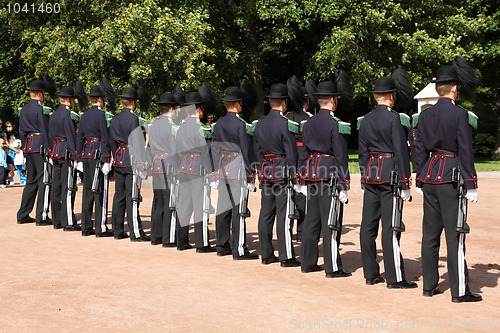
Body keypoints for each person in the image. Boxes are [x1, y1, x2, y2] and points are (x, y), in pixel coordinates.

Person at [414, 56, 482, 303]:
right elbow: (465, 150)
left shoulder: (424, 115)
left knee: (430, 235)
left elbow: (419, 149)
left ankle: (429, 286)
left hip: (430, 175)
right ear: (454, 87)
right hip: (450, 177)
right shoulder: (460, 114)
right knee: (455, 235)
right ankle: (459, 290)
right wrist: (471, 183)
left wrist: (420, 178)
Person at [358, 67, 416, 289]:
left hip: (371, 175)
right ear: (392, 96)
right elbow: (401, 152)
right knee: (391, 228)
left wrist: (364, 177)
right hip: (390, 175)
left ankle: (370, 273)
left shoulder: (365, 120)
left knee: (368, 227)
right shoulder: (395, 119)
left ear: (375, 97)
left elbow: (363, 153)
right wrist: (405, 182)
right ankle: (394, 277)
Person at [300, 75, 352, 278]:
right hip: (329, 174)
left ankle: (308, 262)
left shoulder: (309, 123)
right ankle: (332, 267)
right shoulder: (335, 124)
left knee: (312, 221)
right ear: (333, 100)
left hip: (312, 173)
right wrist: (344, 184)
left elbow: (304, 154)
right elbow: (340, 156)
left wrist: (303, 179)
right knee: (331, 222)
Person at [253, 83, 300, 267]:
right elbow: (291, 152)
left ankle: (266, 254)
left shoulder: (260, 124)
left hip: (266, 172)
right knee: (284, 215)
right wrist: (295, 176)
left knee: (266, 214)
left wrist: (261, 170)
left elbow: (257, 152)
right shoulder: (285, 124)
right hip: (282, 172)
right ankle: (286, 256)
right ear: (284, 102)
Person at [211, 83, 259, 260]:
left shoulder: (218, 124)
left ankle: (221, 245)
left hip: (222, 168)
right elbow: (246, 152)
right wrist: (250, 176)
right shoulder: (241, 125)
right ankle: (238, 249)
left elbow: (214, 150)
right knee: (239, 210)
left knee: (223, 209)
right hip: (237, 168)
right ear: (238, 103)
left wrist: (215, 172)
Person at [175, 84, 216, 253]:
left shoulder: (180, 128)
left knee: (184, 206)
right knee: (200, 207)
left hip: (183, 169)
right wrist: (212, 173)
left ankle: (181, 241)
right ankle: (201, 243)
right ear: (198, 108)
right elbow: (206, 152)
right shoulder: (202, 128)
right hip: (198, 170)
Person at [110, 82, 151, 242]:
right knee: (132, 196)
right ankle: (136, 232)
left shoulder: (115, 119)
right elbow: (138, 143)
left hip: (119, 158)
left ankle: (118, 230)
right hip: (131, 159)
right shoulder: (133, 120)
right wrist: (142, 163)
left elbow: (112, 141)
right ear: (133, 102)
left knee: (119, 196)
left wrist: (116, 155)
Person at [76, 79, 115, 237]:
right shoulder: (102, 115)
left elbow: (80, 137)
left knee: (87, 191)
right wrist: (106, 159)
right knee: (100, 191)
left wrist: (78, 158)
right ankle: (100, 227)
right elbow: (105, 138)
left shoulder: (83, 115)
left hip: (86, 154)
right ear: (100, 99)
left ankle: (86, 226)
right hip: (98, 154)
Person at [17, 75, 55, 225]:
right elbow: (45, 131)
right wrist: (50, 149)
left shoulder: (24, 110)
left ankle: (23, 213)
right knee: (45, 181)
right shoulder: (40, 110)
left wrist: (26, 149)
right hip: (40, 146)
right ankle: (42, 215)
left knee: (31, 182)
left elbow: (21, 131)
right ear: (40, 93)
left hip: (29, 147)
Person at [49, 84, 86, 231]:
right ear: (69, 100)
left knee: (56, 187)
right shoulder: (67, 115)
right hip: (66, 152)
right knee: (69, 187)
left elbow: (51, 135)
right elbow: (71, 137)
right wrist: (76, 156)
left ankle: (57, 220)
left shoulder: (53, 115)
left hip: (56, 151)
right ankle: (68, 221)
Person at [285, 75, 314, 242]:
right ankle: (302, 233)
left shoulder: (287, 117)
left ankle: (288, 232)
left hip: (288, 161)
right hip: (304, 160)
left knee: (289, 198)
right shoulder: (309, 118)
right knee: (304, 198)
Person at [148, 92, 178, 246]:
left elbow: (151, 148)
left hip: (156, 164)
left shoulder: (152, 126)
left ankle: (155, 236)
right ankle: (168, 238)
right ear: (171, 108)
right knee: (168, 201)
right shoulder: (172, 127)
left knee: (158, 201)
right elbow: (174, 150)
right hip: (168, 165)